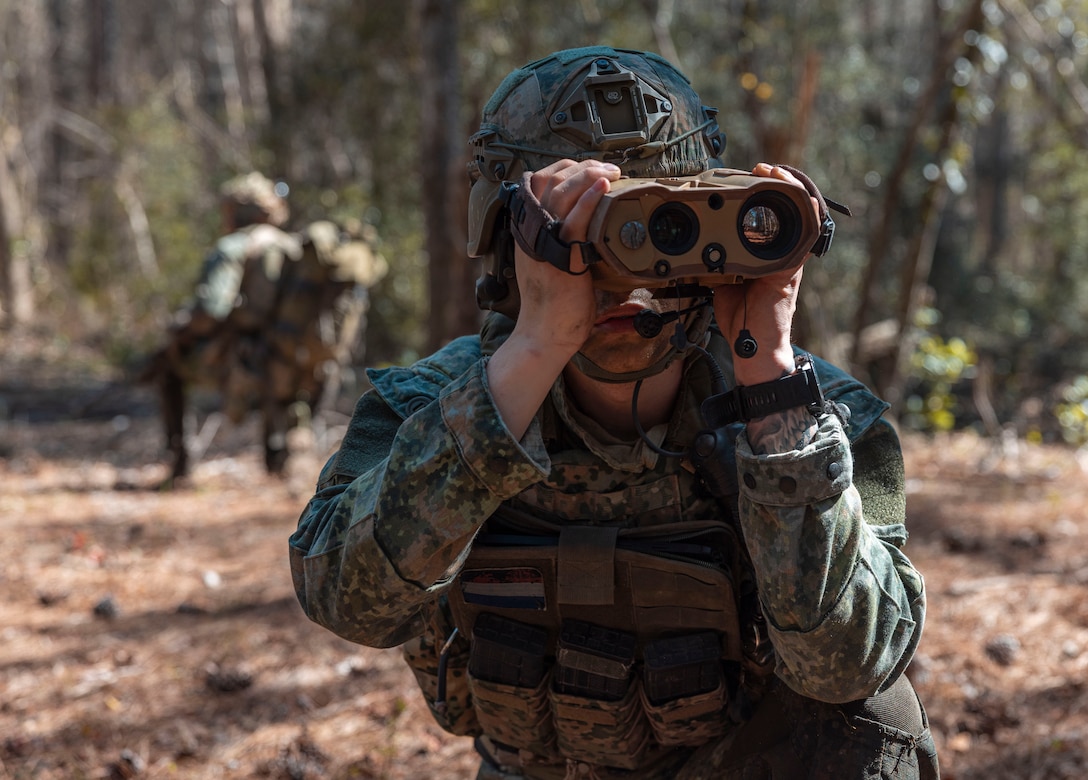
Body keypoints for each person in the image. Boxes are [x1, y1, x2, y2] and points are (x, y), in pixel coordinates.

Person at [290, 47, 939, 779]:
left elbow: (849, 667)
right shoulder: (428, 406)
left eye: (660, 226)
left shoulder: (817, 415)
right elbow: (349, 603)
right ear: (506, 243)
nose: (625, 280)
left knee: (878, 726)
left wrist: (769, 380)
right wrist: (534, 350)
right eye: (584, 236)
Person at [146, 173, 385, 481]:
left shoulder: (233, 247)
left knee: (168, 369)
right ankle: (279, 461)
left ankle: (179, 464)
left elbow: (212, 309)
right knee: (284, 387)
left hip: (246, 361)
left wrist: (181, 331)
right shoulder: (293, 246)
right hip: (289, 358)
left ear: (234, 211)